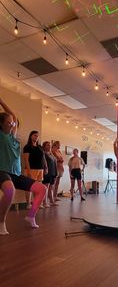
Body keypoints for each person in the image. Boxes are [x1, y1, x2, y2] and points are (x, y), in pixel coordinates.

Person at [0, 97, 46, 235]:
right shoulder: (1, 135)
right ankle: (1, 222)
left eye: (12, 123)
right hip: (2, 171)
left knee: (41, 189)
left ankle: (30, 216)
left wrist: (1, 101)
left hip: (16, 174)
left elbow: (13, 116)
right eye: (8, 123)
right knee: (9, 191)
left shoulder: (13, 136)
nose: (11, 124)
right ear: (1, 125)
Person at [23, 130, 46, 209]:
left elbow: (43, 158)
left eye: (37, 135)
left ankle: (37, 203)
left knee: (38, 187)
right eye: (35, 135)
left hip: (40, 169)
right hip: (31, 169)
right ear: (31, 136)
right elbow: (26, 160)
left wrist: (45, 167)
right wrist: (29, 171)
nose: (36, 137)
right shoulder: (27, 147)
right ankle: (28, 204)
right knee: (29, 187)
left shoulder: (40, 147)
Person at [42, 141, 58, 207]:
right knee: (46, 188)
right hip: (47, 173)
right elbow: (44, 163)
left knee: (51, 188)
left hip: (53, 172)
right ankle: (44, 203)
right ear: (44, 146)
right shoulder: (43, 153)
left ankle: (51, 201)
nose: (49, 146)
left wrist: (56, 172)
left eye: (50, 145)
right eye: (47, 145)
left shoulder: (51, 153)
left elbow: (55, 162)